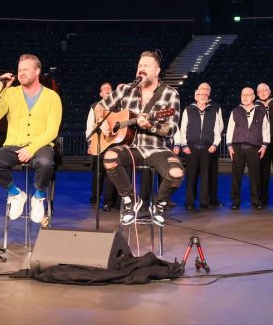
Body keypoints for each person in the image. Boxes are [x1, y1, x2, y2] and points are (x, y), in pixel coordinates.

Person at [100, 51, 184, 226]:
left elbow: (171, 129)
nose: (141, 69)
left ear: (157, 70)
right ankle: (131, 201)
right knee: (109, 158)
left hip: (156, 148)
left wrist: (151, 125)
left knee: (176, 174)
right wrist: (102, 122)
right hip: (129, 146)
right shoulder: (125, 89)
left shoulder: (170, 94)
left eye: (147, 66)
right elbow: (101, 107)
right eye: (140, 66)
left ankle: (159, 204)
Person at [0, 54, 63, 226]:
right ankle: (15, 194)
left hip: (41, 144)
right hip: (14, 143)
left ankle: (38, 196)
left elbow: (52, 130)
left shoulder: (52, 97)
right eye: (19, 70)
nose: (21, 73)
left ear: (37, 71)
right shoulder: (10, 93)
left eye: (26, 69)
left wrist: (31, 148)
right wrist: (1, 88)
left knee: (45, 162)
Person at [174, 83, 222, 210]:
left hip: (207, 147)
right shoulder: (188, 109)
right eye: (201, 94)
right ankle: (190, 202)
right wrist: (184, 145)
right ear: (196, 96)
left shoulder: (213, 111)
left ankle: (204, 202)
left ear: (208, 97)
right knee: (191, 175)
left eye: (205, 95)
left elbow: (217, 131)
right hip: (191, 147)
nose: (203, 96)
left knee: (206, 176)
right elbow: (182, 129)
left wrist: (215, 145)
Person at [227, 86, 270, 210]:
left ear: (253, 97)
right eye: (243, 95)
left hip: (254, 148)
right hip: (237, 147)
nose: (245, 97)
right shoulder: (235, 110)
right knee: (236, 175)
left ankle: (255, 200)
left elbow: (265, 129)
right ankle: (235, 201)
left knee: (255, 175)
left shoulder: (261, 111)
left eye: (248, 95)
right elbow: (230, 129)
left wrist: (264, 145)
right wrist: (229, 145)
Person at [86, 82, 117, 211]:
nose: (108, 91)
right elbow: (89, 126)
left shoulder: (117, 106)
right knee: (98, 174)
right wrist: (89, 143)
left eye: (110, 89)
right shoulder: (94, 107)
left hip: (113, 144)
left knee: (111, 174)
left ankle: (108, 202)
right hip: (99, 143)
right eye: (105, 89)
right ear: (101, 93)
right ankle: (95, 199)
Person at [255, 83, 273, 210]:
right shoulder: (254, 105)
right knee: (262, 172)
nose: (262, 92)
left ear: (269, 91)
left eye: (264, 90)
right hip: (261, 145)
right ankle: (263, 198)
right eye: (259, 90)